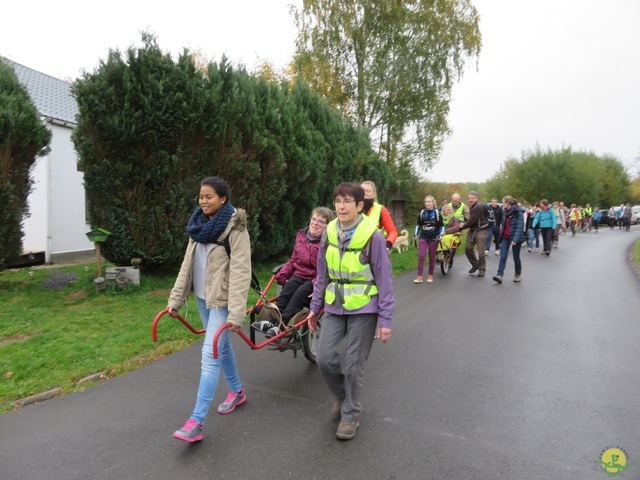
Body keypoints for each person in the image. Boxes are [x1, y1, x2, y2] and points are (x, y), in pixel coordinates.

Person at [306, 182, 394, 441]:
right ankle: (343, 394)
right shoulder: (329, 232)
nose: (341, 206)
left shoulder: (373, 237)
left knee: (354, 364)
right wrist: (314, 307)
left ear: (359, 206)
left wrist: (385, 320)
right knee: (323, 358)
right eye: (338, 201)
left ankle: (350, 415)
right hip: (335, 306)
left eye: (347, 202)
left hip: (365, 309)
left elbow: (385, 281)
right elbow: (322, 274)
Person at [167, 176, 252, 443]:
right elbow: (187, 266)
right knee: (222, 347)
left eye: (209, 197)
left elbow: (241, 273)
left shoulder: (235, 229)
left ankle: (196, 421)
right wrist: (176, 299)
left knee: (210, 353)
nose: (204, 201)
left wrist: (237, 313)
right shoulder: (197, 227)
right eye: (201, 197)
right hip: (203, 299)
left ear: (223, 199)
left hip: (222, 302)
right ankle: (237, 392)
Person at [251, 207, 333, 337]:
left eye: (321, 221)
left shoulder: (328, 242)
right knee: (287, 290)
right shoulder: (302, 235)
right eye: (314, 219)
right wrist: (283, 273)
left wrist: (318, 285)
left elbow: (327, 268)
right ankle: (271, 322)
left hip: (315, 278)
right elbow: (293, 259)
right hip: (299, 274)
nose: (315, 223)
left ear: (327, 226)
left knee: (299, 294)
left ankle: (281, 325)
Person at [492, 196, 525, 284]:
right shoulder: (505, 212)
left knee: (516, 257)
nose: (502, 204)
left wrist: (515, 239)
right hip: (505, 237)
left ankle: (517, 275)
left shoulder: (518, 212)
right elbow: (503, 224)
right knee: (503, 256)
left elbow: (519, 227)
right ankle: (499, 275)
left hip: (515, 238)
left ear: (508, 203)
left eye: (503, 202)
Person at [412, 195, 444, 284]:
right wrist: (415, 234)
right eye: (426, 202)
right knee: (421, 256)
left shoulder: (437, 213)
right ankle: (419, 276)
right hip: (424, 236)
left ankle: (430, 275)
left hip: (434, 238)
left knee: (431, 257)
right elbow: (418, 225)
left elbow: (441, 226)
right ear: (425, 203)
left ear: (433, 203)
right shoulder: (422, 213)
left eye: (430, 202)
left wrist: (440, 235)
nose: (428, 203)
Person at [360, 181, 398, 251]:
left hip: (375, 251)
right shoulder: (352, 208)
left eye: (368, 191)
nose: (364, 193)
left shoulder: (381, 209)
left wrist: (388, 244)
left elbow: (393, 231)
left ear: (374, 194)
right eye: (361, 191)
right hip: (354, 251)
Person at [460, 190, 489, 277]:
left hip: (481, 230)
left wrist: (463, 226)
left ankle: (482, 269)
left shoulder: (479, 207)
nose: (470, 200)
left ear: (476, 198)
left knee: (481, 251)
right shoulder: (471, 207)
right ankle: (476, 265)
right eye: (469, 198)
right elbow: (470, 219)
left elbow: (473, 220)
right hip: (472, 231)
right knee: (468, 249)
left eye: (472, 198)